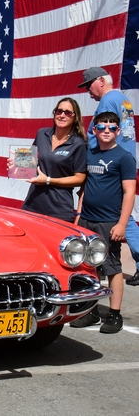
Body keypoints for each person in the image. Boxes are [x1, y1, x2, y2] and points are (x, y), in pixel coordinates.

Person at [70, 112, 136, 333]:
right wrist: (79, 215)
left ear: (118, 131)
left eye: (112, 127)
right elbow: (84, 188)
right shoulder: (89, 153)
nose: (106, 130)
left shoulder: (124, 157)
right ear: (94, 130)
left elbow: (129, 193)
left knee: (111, 267)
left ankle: (114, 315)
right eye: (101, 127)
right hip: (87, 220)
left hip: (109, 222)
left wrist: (122, 224)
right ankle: (90, 311)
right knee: (88, 267)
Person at [78, 66, 139, 286]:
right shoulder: (123, 100)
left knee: (123, 216)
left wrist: (89, 158)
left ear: (101, 81)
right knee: (124, 214)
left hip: (108, 165)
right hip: (125, 161)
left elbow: (97, 136)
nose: (88, 91)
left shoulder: (107, 101)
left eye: (89, 85)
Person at [16, 97, 87, 223]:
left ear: (75, 117)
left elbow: (80, 179)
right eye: (59, 111)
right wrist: (18, 163)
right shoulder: (42, 134)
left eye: (67, 113)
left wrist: (48, 180)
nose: (62, 115)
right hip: (32, 205)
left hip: (58, 210)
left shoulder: (78, 143)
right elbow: (31, 163)